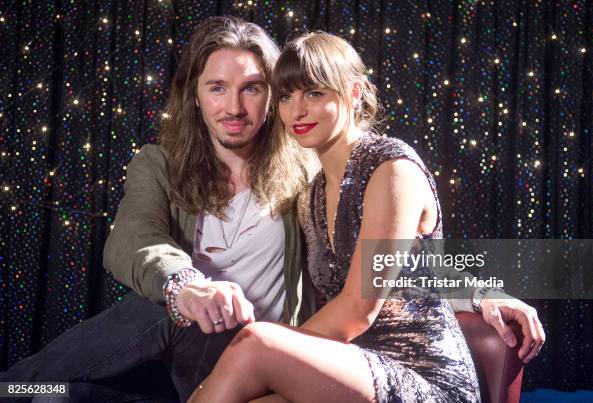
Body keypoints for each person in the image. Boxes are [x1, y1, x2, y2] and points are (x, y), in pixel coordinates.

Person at [2, 17, 543, 403]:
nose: (234, 107)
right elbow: (131, 241)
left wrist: (481, 287)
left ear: (270, 94)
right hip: (196, 337)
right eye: (217, 88)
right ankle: (23, 387)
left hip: (284, 343)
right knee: (154, 308)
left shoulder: (309, 168)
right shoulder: (160, 163)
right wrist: (185, 287)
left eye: (253, 89)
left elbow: (398, 252)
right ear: (195, 95)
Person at [188, 32, 545, 403]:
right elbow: (422, 269)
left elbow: (359, 310)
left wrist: (277, 350)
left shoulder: (391, 169)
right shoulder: (311, 195)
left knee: (257, 341)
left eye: (314, 93)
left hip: (422, 377)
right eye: (285, 96)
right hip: (354, 367)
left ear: (355, 92)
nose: (297, 111)